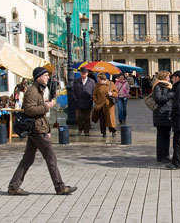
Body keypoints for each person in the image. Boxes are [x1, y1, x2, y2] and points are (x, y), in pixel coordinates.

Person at [8, 67, 77, 195]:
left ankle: (13, 186)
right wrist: (47, 106)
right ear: (38, 77)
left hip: (38, 128)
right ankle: (60, 187)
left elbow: (37, 111)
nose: (47, 77)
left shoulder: (38, 90)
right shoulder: (32, 92)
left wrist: (48, 127)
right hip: (37, 130)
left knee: (28, 159)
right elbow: (29, 110)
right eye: (45, 75)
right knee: (51, 158)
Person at [152, 71, 173, 163]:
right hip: (161, 114)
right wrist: (170, 95)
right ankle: (161, 156)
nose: (169, 78)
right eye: (168, 77)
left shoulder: (168, 85)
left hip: (167, 114)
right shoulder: (158, 86)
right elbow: (158, 99)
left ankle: (166, 155)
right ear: (163, 77)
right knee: (161, 137)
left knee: (167, 136)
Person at [93, 72, 118, 137]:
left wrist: (112, 94)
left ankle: (113, 130)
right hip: (100, 105)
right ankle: (103, 133)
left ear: (103, 79)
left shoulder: (110, 84)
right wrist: (96, 101)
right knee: (102, 120)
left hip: (109, 105)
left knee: (110, 119)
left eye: (99, 79)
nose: (98, 81)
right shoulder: (97, 85)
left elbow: (116, 93)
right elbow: (94, 94)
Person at [73, 67, 95, 136]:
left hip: (88, 102)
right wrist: (75, 99)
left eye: (85, 74)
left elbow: (94, 91)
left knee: (87, 118)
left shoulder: (91, 81)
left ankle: (86, 131)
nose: (83, 75)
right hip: (78, 102)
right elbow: (73, 91)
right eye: (82, 74)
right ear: (80, 74)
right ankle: (80, 129)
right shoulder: (76, 81)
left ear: (87, 73)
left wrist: (92, 99)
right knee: (78, 117)